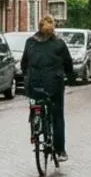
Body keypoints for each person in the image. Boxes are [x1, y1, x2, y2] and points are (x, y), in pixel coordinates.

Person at [20, 15, 75, 160]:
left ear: (39, 27)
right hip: (54, 86)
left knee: (35, 103)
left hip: (34, 85)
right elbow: (68, 63)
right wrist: (70, 77)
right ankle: (60, 150)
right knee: (57, 115)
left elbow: (24, 63)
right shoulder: (59, 44)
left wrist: (27, 75)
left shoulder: (30, 42)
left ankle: (35, 125)